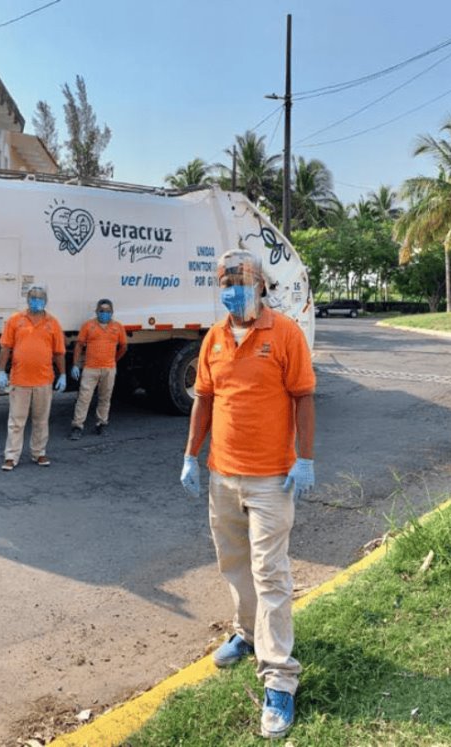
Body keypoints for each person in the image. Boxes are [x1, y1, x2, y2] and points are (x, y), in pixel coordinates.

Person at [180, 248, 315, 741]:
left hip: (271, 479)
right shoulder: (214, 338)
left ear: (261, 286)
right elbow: (204, 400)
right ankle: (246, 632)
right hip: (223, 475)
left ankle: (280, 677)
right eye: (225, 283)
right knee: (233, 561)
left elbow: (303, 397)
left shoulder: (285, 334)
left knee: (270, 572)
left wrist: (305, 458)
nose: (233, 290)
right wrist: (190, 456)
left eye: (242, 282)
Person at [0, 285, 67, 470]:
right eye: (33, 298)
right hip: (20, 380)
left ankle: (39, 453)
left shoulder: (53, 323)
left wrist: (63, 375)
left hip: (44, 380)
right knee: (16, 421)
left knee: (41, 420)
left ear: (45, 301)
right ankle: (11, 456)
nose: (36, 302)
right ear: (27, 300)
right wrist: (2, 371)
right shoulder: (15, 320)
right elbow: (5, 347)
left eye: (40, 299)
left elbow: (59, 352)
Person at [69, 299, 127, 440]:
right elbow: (79, 345)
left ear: (112, 312)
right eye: (102, 311)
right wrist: (75, 364)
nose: (104, 314)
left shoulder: (118, 327)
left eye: (108, 311)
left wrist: (114, 361)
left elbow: (123, 347)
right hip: (90, 368)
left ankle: (101, 424)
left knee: (105, 398)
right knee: (84, 398)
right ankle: (77, 427)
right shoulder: (88, 326)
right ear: (96, 311)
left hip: (109, 369)